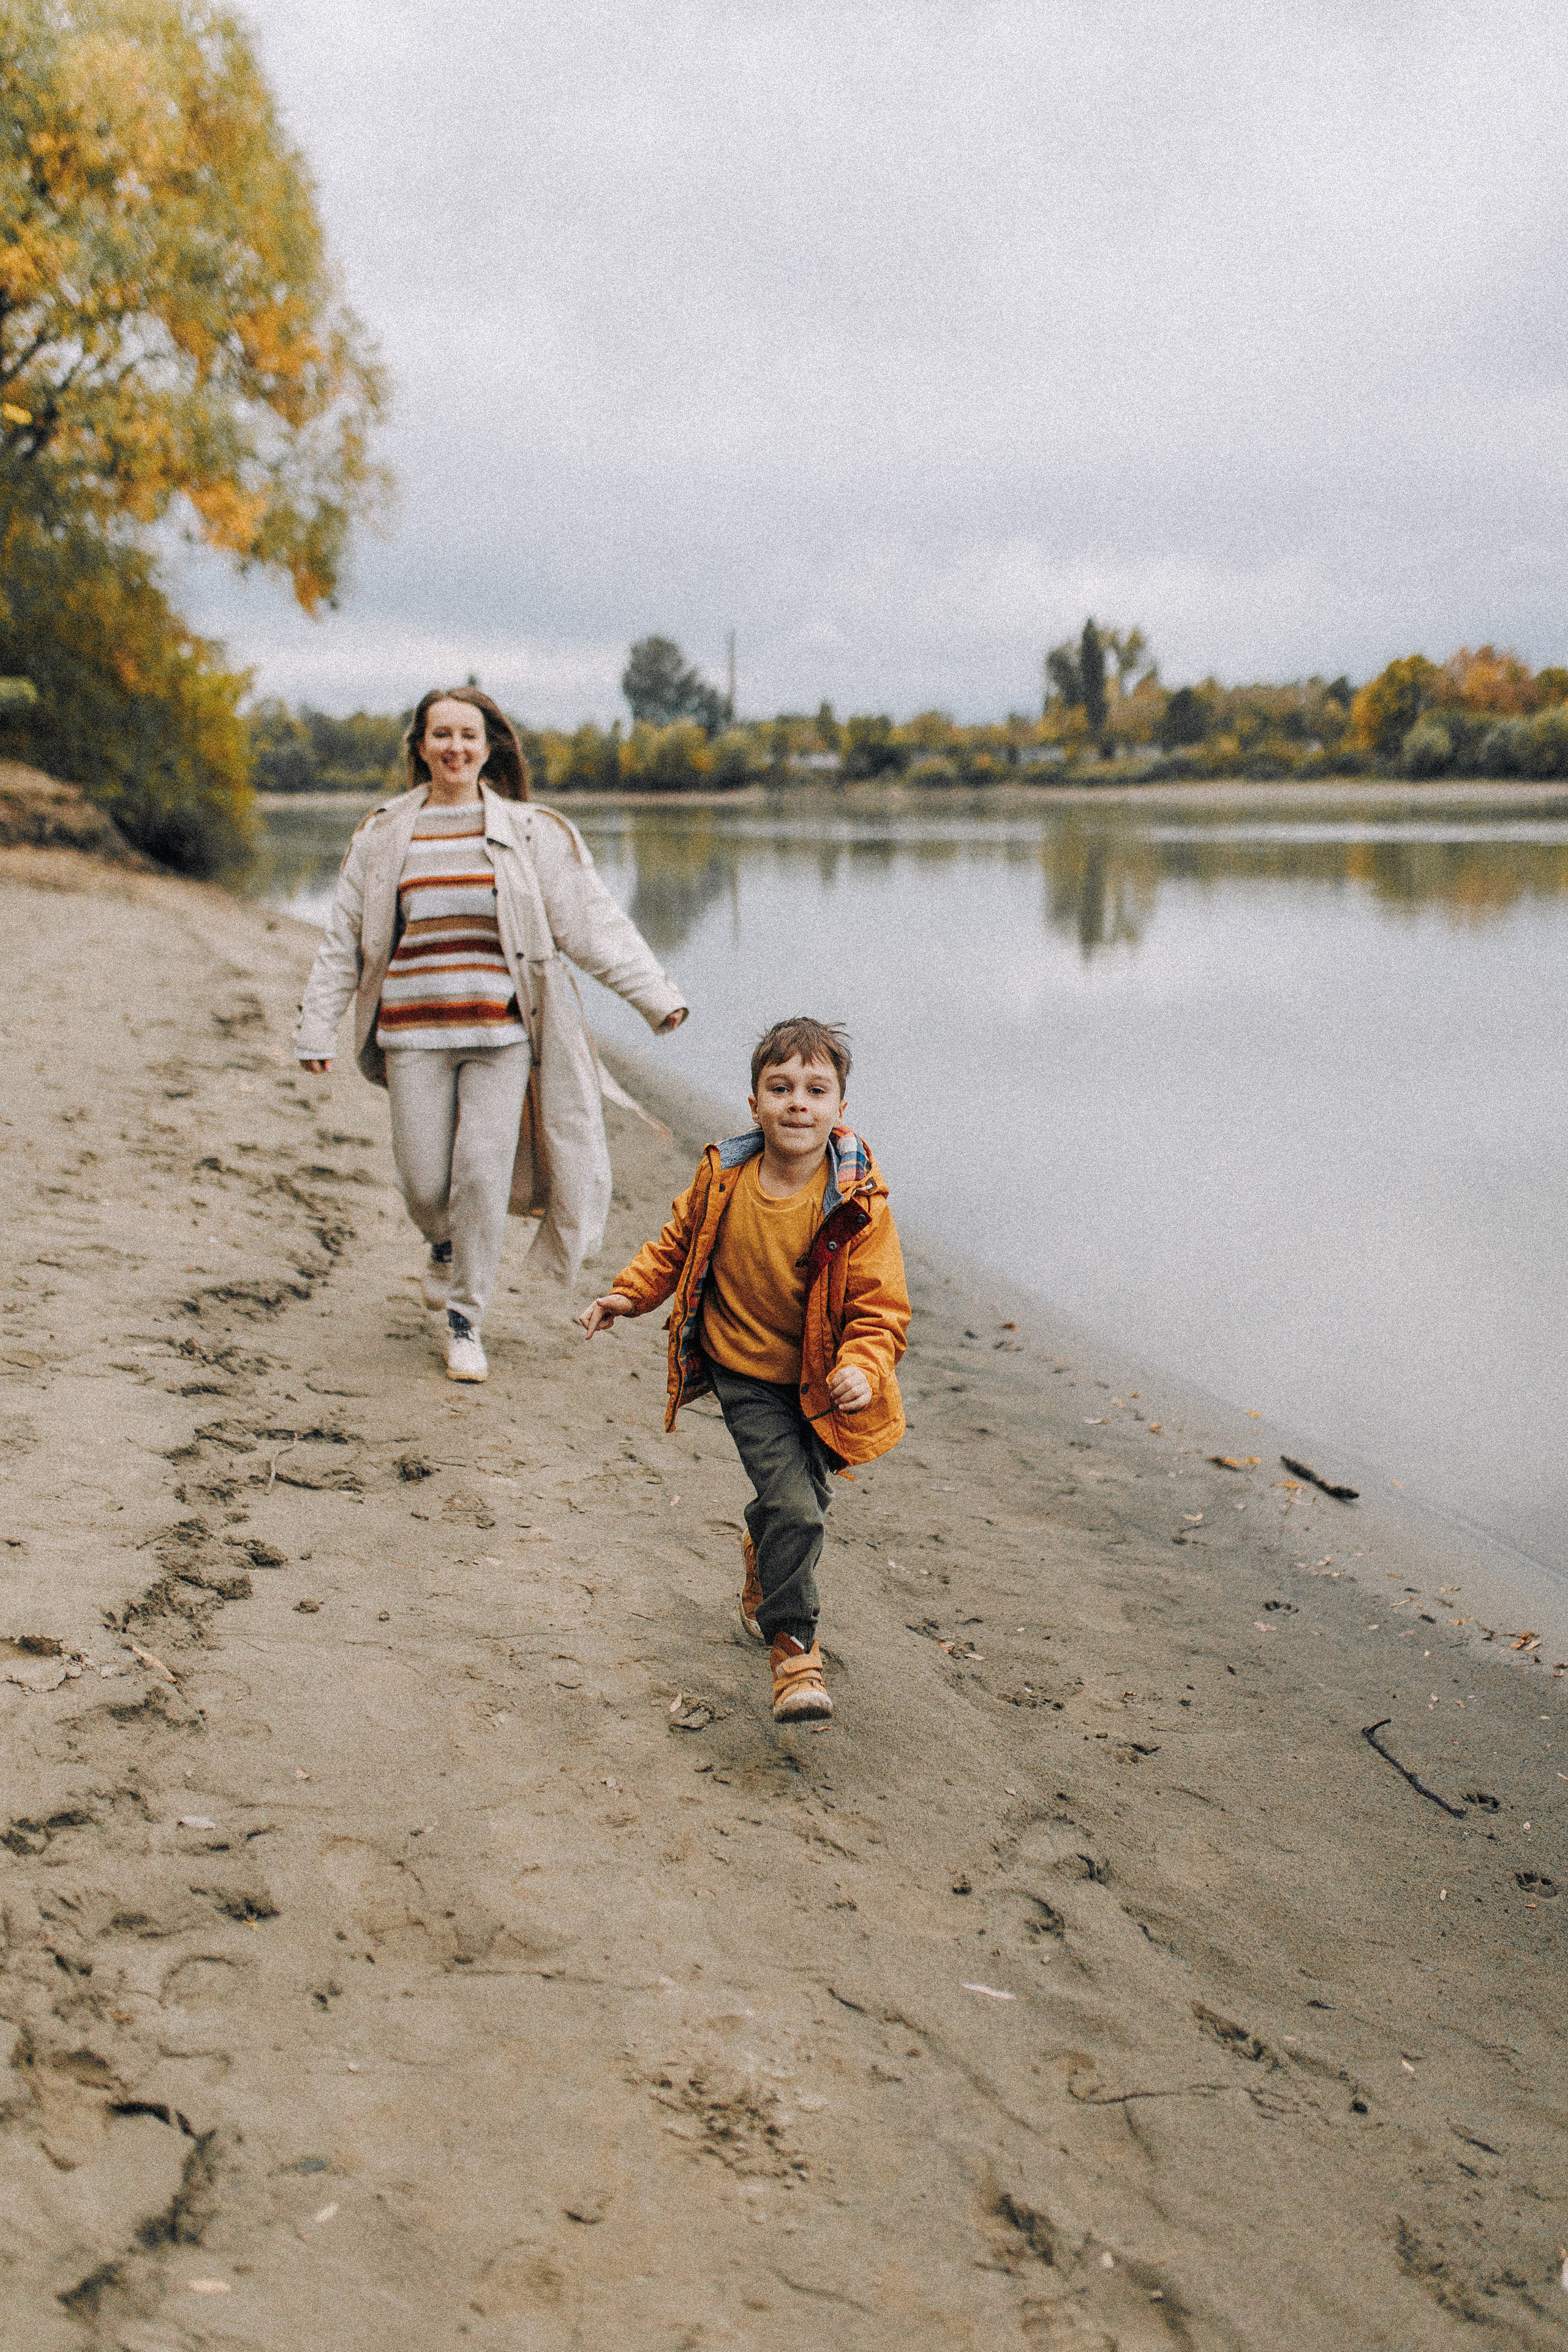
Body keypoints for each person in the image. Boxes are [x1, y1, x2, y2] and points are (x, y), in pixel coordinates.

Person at [295, 687, 687, 1380]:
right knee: (424, 1183)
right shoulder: (384, 833)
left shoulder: (529, 831)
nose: (455, 748)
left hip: (503, 1035)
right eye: (441, 735)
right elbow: (343, 942)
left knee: (480, 1175)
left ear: (488, 746)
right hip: (411, 1034)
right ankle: (442, 1246)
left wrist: (656, 998)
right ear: (420, 746)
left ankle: (465, 1320)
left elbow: (590, 921)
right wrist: (316, 1030)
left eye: (468, 736)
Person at [579, 1017, 909, 1722]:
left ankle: (761, 1559)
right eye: (780, 1087)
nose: (798, 1102)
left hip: (821, 1385)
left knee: (800, 1507)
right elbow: (675, 1245)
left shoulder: (858, 1206)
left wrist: (862, 1366)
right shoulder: (724, 1177)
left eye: (816, 1090)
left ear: (839, 1109)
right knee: (797, 1508)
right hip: (744, 1372)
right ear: (755, 1101)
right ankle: (793, 1651)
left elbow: (880, 1309)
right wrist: (630, 1295)